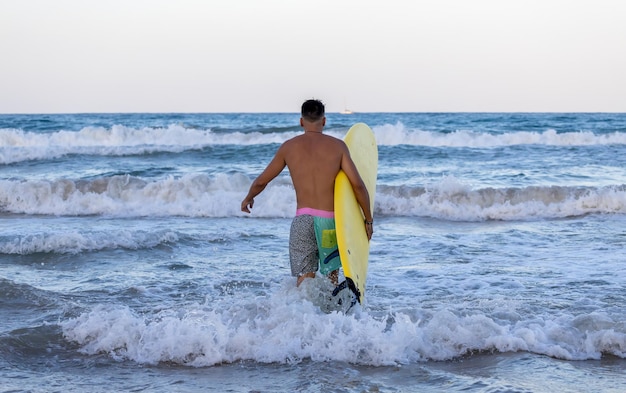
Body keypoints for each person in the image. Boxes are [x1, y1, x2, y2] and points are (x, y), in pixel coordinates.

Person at [241, 99, 373, 287]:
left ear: (301, 121)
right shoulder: (338, 147)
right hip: (329, 222)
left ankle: (303, 315)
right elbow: (358, 185)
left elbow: (262, 180)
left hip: (302, 221)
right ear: (324, 121)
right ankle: (331, 316)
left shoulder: (288, 147)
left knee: (304, 282)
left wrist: (249, 197)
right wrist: (368, 219)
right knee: (331, 281)